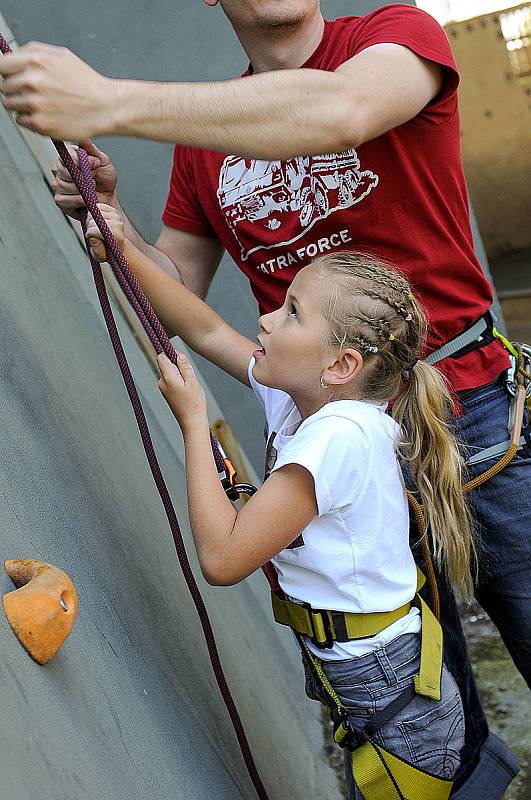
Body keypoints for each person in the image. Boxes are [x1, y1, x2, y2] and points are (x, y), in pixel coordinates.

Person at [0, 2, 528, 795]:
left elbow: (341, 110)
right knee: (411, 707)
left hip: (471, 410)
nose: (271, 316)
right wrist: (112, 225)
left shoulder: (393, 37)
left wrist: (107, 99)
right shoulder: (204, 142)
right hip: (331, 439)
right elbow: (188, 301)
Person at [87, 206, 471, 796]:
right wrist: (123, 251)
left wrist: (195, 425)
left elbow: (223, 559)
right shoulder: (302, 402)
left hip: (392, 698)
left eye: (292, 313)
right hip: (371, 678)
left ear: (340, 366)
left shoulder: (340, 436)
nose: (266, 319)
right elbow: (206, 328)